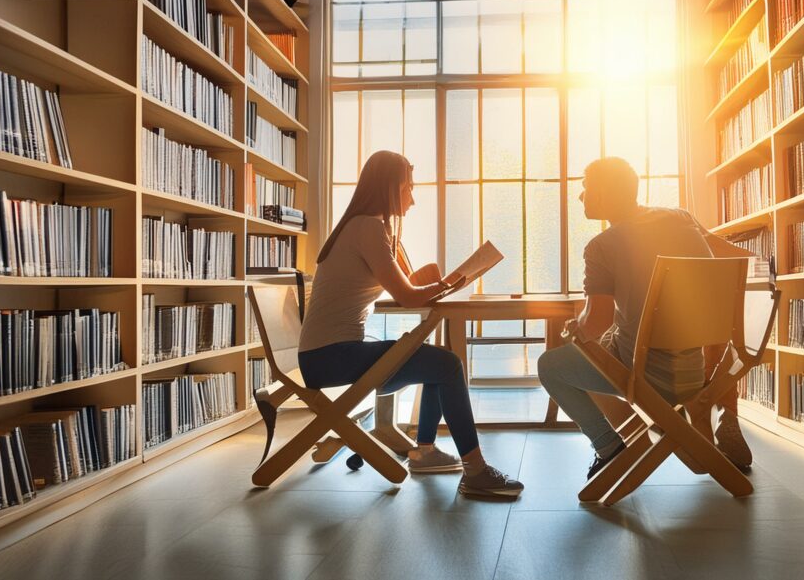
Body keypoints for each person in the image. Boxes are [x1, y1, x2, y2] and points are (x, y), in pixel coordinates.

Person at [297, 150, 522, 499]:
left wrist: (439, 282)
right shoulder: (368, 227)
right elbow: (408, 296)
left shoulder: (367, 226)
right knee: (447, 365)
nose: (413, 199)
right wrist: (452, 282)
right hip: (330, 357)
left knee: (438, 361)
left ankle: (426, 451)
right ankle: (474, 470)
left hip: (326, 353)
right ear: (389, 188)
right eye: (408, 189)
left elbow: (405, 289)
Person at [537, 157, 754, 479]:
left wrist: (576, 327)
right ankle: (715, 409)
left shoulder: (600, 247)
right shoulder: (682, 218)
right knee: (604, 343)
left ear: (607, 193)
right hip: (695, 367)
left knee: (554, 364)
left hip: (649, 374)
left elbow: (595, 322)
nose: (581, 196)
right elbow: (736, 259)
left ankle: (608, 447)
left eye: (586, 188)